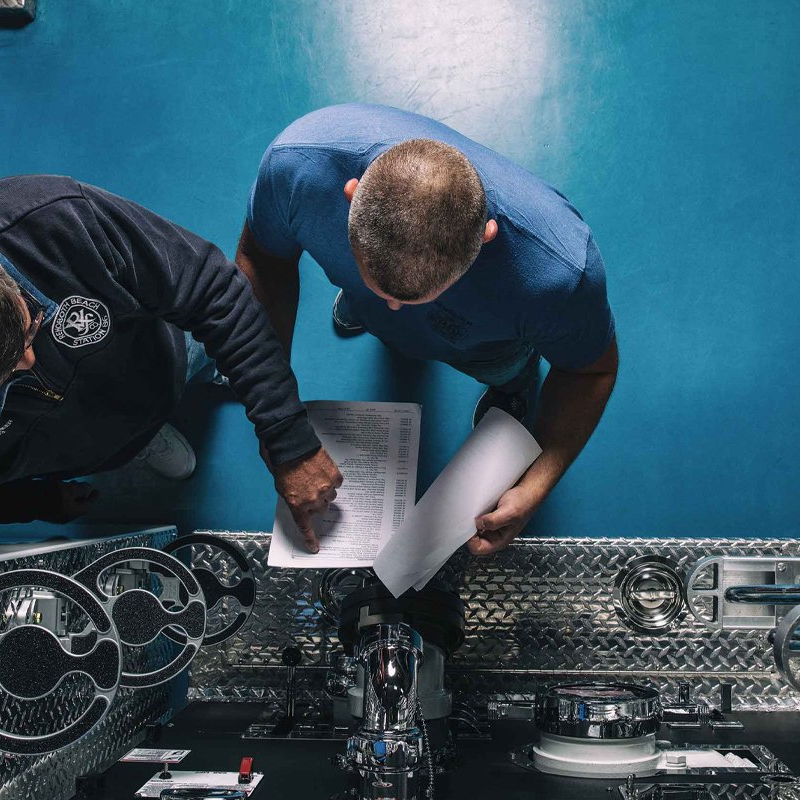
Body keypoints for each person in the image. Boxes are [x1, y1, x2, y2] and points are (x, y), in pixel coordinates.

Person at [0, 175, 342, 546]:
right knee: (121, 441)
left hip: (156, 354)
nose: (28, 361)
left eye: (27, 325)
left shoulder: (56, 219)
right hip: (79, 453)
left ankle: (206, 367)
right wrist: (37, 504)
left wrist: (288, 441)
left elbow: (214, 291)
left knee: (212, 343)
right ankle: (134, 444)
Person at [235, 105, 618, 555]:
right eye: (380, 286)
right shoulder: (296, 167)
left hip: (483, 345)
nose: (394, 306)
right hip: (396, 292)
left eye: (411, 297)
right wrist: (279, 424)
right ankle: (369, 299)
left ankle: (510, 386)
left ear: (486, 236)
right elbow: (263, 259)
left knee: (506, 367)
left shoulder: (559, 274)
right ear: (352, 194)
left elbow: (590, 372)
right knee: (379, 308)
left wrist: (537, 484)